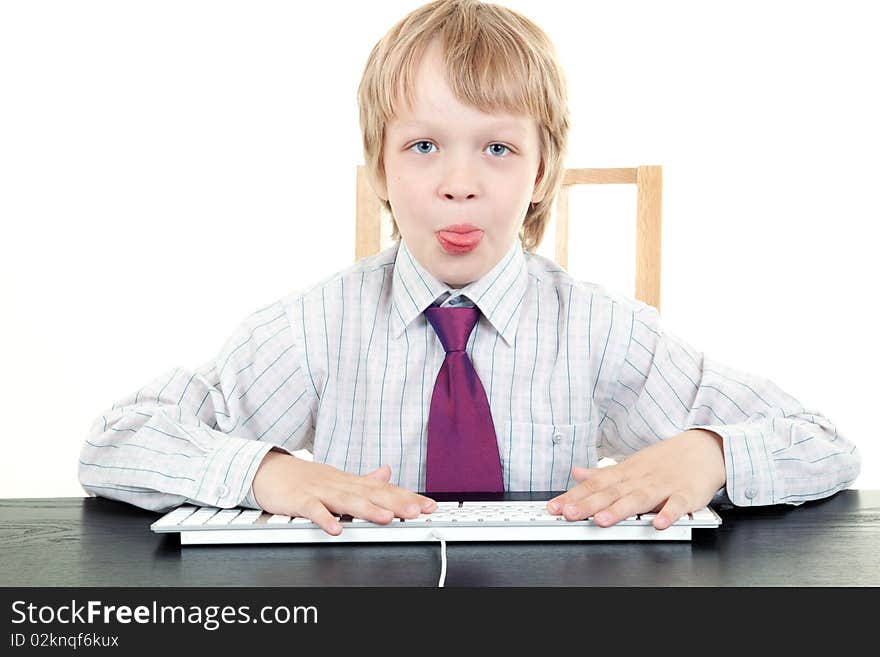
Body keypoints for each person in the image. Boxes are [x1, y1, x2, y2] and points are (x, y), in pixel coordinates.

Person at [78, 0, 860, 536]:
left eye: (497, 147)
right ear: (379, 170)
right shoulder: (315, 327)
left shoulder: (599, 329)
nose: (460, 182)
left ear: (543, 169)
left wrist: (711, 451)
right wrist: (265, 474)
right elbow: (116, 441)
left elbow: (823, 440)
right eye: (424, 146)